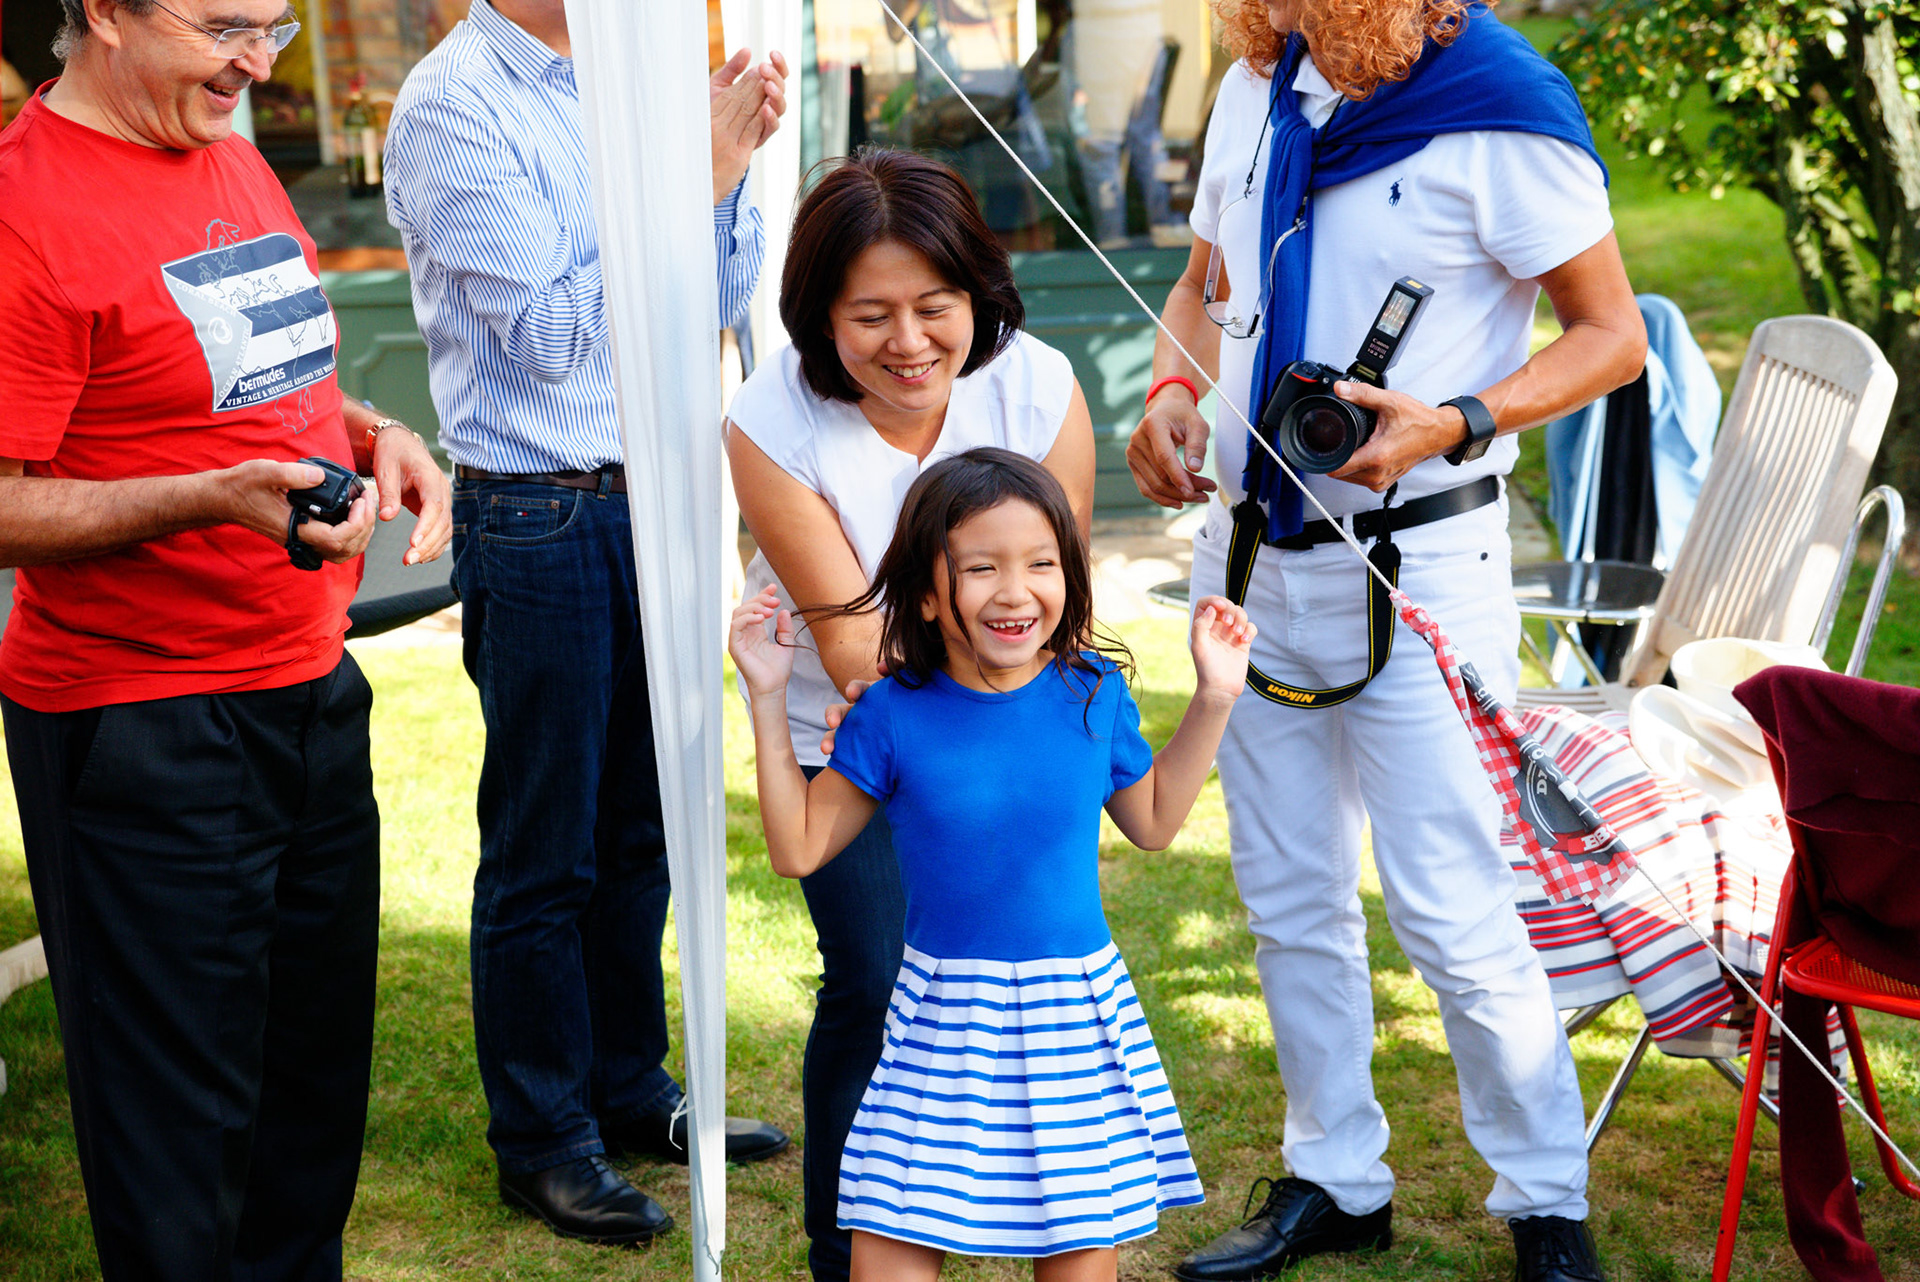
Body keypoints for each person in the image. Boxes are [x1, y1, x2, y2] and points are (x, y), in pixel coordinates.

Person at [1124, 3, 1647, 1280]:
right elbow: (1203, 287)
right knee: (1289, 895)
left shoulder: (1501, 104)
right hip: (1249, 555)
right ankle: (1334, 1179)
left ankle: (1546, 1205)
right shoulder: (1257, 83)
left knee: (1453, 904)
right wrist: (1173, 388)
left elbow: (1612, 338)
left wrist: (1455, 419)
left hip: (1424, 561)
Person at [0, 1, 451, 1278]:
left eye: (277, 25)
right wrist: (206, 499)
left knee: (308, 1113)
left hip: (308, 685)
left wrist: (375, 435)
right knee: (179, 1151)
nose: (259, 62)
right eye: (225, 26)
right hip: (140, 724)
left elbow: (260, 383)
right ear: (104, 10)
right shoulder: (24, 208)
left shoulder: (223, 149)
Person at [381, 0, 790, 1247]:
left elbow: (721, 297)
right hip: (537, 509)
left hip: (660, 494)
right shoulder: (452, 104)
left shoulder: (635, 82)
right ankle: (544, 1139)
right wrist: (694, 181)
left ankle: (629, 1087)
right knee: (545, 850)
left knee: (645, 830)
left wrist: (727, 178)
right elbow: (555, 340)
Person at [729, 447, 1253, 1282]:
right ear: (927, 594)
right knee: (890, 1237)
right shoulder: (889, 713)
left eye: (1041, 564)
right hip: (942, 1020)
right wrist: (766, 693)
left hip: (1072, 1019)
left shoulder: (1092, 693)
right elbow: (797, 848)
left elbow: (1154, 822)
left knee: (1077, 1244)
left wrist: (1216, 696)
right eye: (981, 568)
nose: (1015, 591)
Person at [723, 146, 1097, 1281]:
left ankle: (1021, 1209)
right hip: (851, 735)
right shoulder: (769, 415)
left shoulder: (1038, 385)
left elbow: (1055, 597)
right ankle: (848, 1248)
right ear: (817, 315)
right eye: (869, 315)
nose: (909, 342)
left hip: (1006, 737)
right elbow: (855, 653)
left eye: (934, 307)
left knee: (1010, 986)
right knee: (878, 975)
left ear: (977, 294)